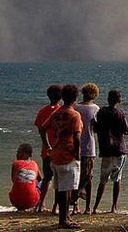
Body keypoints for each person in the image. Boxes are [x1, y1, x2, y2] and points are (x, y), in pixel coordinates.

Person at [43, 83, 83, 229]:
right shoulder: (74, 115)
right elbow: (77, 137)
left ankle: (64, 217)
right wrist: (77, 153)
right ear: (75, 98)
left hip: (55, 154)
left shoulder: (56, 113)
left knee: (60, 189)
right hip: (68, 155)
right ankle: (64, 219)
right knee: (67, 189)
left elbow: (42, 128)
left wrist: (48, 146)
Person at [92, 89, 128, 214]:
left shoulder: (102, 111)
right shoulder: (120, 113)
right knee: (117, 179)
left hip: (106, 150)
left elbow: (96, 127)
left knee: (103, 180)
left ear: (108, 99)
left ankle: (95, 207)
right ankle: (114, 207)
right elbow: (126, 131)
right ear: (119, 100)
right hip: (119, 149)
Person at [34, 84, 62, 212]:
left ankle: (41, 204)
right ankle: (55, 207)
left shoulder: (42, 111)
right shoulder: (61, 111)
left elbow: (40, 128)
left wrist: (46, 145)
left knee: (47, 178)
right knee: (58, 180)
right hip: (58, 150)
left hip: (46, 150)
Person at [75, 83, 100, 214]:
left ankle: (75, 206)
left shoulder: (75, 107)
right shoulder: (95, 109)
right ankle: (88, 207)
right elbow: (96, 128)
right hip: (89, 146)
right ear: (95, 95)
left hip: (75, 146)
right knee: (88, 177)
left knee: (76, 177)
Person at [9, 143, 42, 211]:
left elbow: (13, 180)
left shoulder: (15, 163)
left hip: (14, 201)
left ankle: (21, 204)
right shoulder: (34, 164)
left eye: (19, 152)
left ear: (25, 154)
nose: (17, 154)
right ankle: (40, 204)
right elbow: (40, 179)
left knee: (20, 182)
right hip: (31, 201)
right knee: (44, 182)